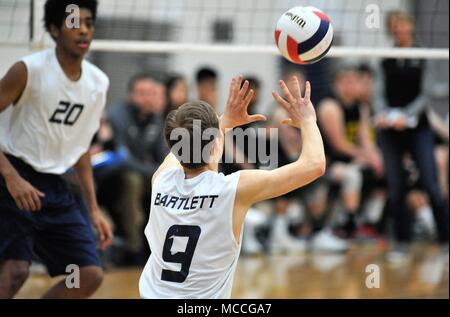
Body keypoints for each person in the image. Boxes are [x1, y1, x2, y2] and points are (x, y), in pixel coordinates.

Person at [139, 75, 326, 298]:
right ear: (217, 144)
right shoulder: (233, 189)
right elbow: (314, 165)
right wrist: (307, 120)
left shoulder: (161, 180)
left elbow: (182, 146)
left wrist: (223, 121)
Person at [0, 0, 112, 298]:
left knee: (86, 274)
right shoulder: (28, 70)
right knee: (15, 271)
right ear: (53, 29)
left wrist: (93, 209)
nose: (84, 30)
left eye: (88, 23)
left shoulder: (98, 83)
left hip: (53, 188)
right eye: (74, 23)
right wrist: (10, 178)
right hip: (12, 175)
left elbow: (81, 149)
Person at [374, 12, 449, 261]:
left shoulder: (423, 54)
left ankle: (445, 240)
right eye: (394, 26)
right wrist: (384, 114)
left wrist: (404, 115)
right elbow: (378, 92)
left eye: (403, 25)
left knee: (431, 184)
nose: (399, 30)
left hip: (418, 128)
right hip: (389, 130)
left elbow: (426, 93)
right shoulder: (385, 58)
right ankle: (402, 243)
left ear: (410, 26)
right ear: (390, 30)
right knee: (396, 187)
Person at [105, 73, 168, 265]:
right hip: (110, 176)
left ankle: (163, 245)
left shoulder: (156, 120)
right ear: (130, 95)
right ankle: (134, 248)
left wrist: (161, 173)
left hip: (141, 173)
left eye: (150, 93)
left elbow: (163, 157)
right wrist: (153, 172)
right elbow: (122, 158)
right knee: (133, 180)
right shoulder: (117, 116)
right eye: (141, 93)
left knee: (166, 182)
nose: (147, 98)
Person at [318, 67, 384, 238]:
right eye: (348, 81)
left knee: (387, 169)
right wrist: (364, 156)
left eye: (355, 81)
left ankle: (369, 222)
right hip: (327, 163)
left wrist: (375, 157)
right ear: (337, 84)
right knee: (352, 175)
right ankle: (349, 226)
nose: (353, 85)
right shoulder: (330, 106)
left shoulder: (361, 107)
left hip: (352, 159)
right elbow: (339, 144)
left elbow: (365, 139)